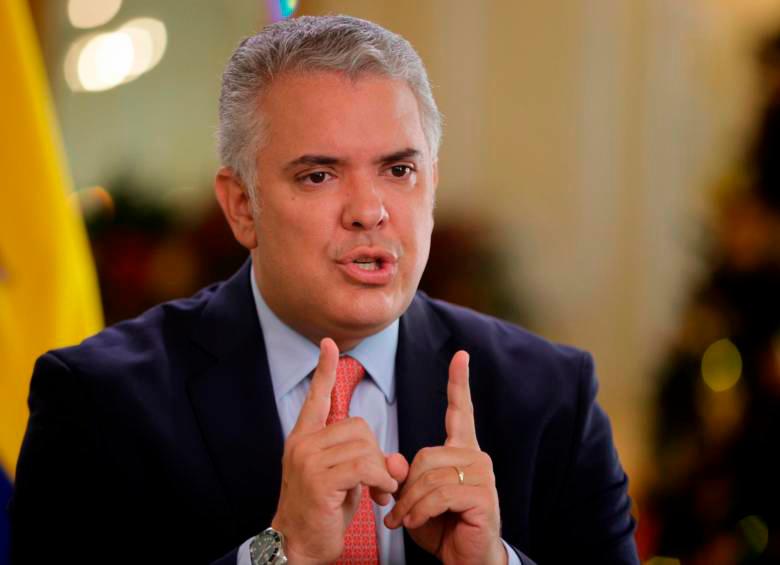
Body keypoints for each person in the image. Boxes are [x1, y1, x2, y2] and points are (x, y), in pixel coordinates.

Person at [9, 15, 639, 565]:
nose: (369, 211)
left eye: (399, 169)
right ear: (241, 207)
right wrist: (281, 553)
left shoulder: (550, 397)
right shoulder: (98, 401)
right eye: (318, 175)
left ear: (432, 186)